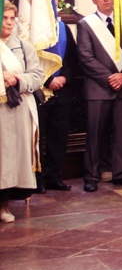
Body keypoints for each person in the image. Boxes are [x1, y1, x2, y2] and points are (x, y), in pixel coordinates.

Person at [77, 0, 122, 193]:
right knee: (95, 135)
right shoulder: (86, 24)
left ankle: (121, 172)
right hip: (98, 89)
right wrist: (110, 78)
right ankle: (92, 175)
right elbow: (86, 58)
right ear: (93, 0)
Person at [0, 1, 45, 223]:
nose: (8, 22)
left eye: (11, 18)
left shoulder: (24, 47)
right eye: (4, 17)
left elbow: (38, 76)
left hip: (17, 111)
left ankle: (4, 205)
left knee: (11, 160)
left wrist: (17, 80)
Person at [36, 20, 79, 193]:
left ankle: (54, 177)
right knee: (36, 140)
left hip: (62, 93)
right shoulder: (29, 26)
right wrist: (47, 80)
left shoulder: (63, 28)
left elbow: (72, 58)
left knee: (58, 138)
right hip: (38, 93)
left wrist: (64, 78)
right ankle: (37, 180)